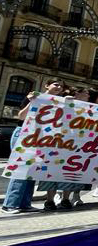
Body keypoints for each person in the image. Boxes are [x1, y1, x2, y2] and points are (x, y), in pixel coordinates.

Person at [2, 81, 64, 214]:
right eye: (56, 84)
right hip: (24, 133)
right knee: (20, 168)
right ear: (47, 85)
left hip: (41, 137)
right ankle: (10, 204)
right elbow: (21, 116)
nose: (59, 87)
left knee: (32, 170)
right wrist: (32, 101)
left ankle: (25, 203)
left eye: (61, 86)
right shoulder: (34, 96)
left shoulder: (58, 102)